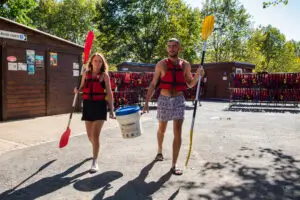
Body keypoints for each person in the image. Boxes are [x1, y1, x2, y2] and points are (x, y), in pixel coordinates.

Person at [142, 38, 205, 175]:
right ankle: (159, 151)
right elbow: (153, 84)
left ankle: (174, 164)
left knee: (178, 130)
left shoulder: (186, 65)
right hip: (164, 99)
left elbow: (190, 83)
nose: (171, 49)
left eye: (174, 46)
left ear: (179, 48)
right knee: (162, 129)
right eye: (169, 46)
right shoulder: (161, 64)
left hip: (178, 99)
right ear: (167, 48)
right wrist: (146, 103)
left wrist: (198, 76)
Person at [74, 52, 115, 173]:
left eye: (100, 61)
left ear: (103, 63)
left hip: (100, 106)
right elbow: (81, 87)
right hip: (87, 105)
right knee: (89, 136)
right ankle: (95, 148)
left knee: (95, 136)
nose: (97, 63)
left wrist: (112, 110)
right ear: (91, 62)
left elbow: (109, 93)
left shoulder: (104, 76)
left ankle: (94, 161)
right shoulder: (86, 74)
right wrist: (77, 90)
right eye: (95, 61)